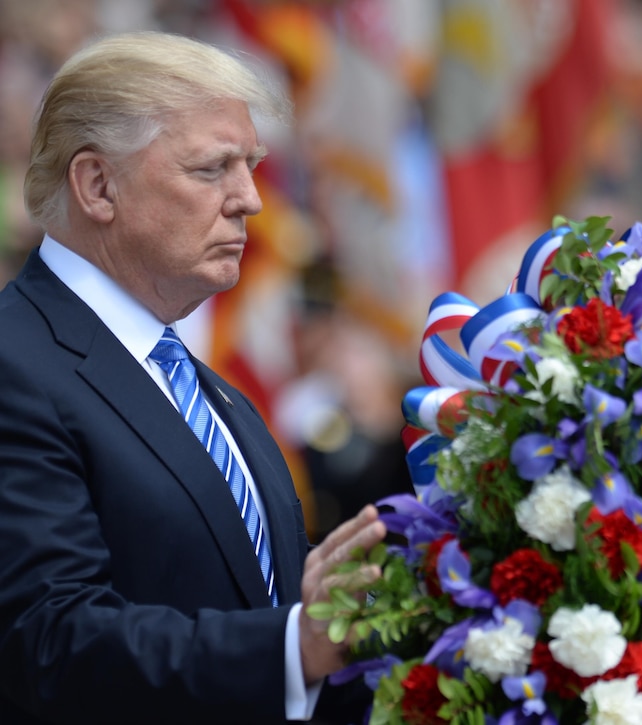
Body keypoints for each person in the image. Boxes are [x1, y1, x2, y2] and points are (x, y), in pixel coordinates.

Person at [0, 31, 388, 723]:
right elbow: (48, 643)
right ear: (97, 185)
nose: (251, 199)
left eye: (253, 164)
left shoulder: (207, 389)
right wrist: (293, 644)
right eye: (214, 169)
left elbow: (281, 621)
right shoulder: (14, 362)